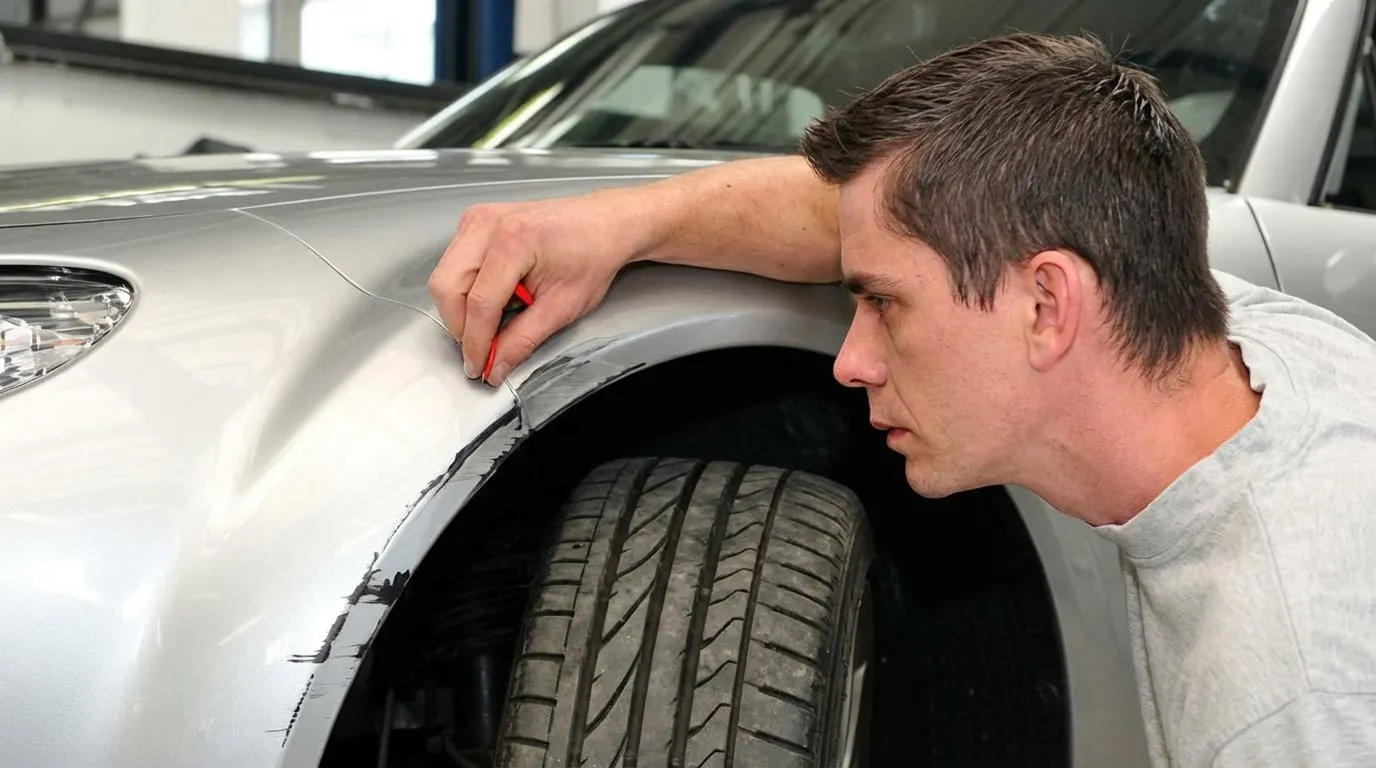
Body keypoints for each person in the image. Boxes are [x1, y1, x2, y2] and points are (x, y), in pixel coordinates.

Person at [430, 32, 1376, 768]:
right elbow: (865, 217)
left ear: (1048, 306)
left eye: (884, 305)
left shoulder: (1292, 700)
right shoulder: (1250, 338)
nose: (849, 363)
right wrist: (626, 221)